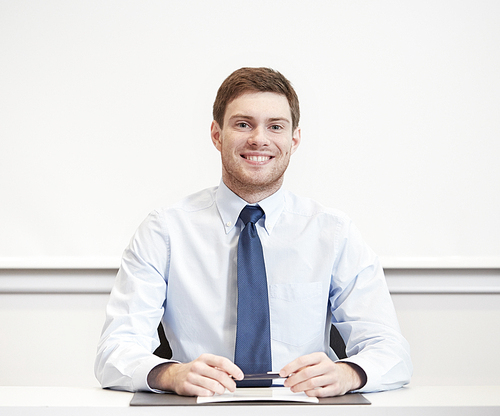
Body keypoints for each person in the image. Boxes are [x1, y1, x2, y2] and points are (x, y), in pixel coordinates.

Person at [95, 67, 412, 397]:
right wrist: (171, 375)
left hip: (304, 409)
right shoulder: (164, 230)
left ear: (294, 139)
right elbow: (114, 352)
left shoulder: (332, 232)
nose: (259, 138)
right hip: (201, 409)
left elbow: (391, 352)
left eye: (275, 126)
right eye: (243, 124)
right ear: (217, 135)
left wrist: (349, 374)